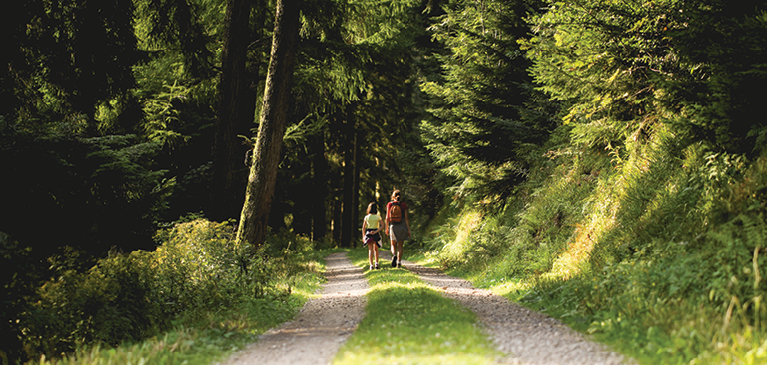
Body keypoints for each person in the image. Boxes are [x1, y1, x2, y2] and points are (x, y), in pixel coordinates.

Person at [385, 190, 410, 268]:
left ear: (393, 196)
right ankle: (399, 262)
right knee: (400, 245)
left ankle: (394, 255)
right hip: (402, 225)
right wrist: (408, 229)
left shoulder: (389, 204)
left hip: (393, 225)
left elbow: (387, 217)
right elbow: (406, 218)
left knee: (393, 244)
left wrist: (386, 227)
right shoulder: (403, 205)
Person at [362, 202, 383, 270]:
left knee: (370, 250)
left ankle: (371, 265)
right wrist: (376, 231)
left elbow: (363, 227)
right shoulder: (378, 217)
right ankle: (376, 262)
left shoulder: (367, 217)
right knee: (376, 249)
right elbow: (383, 226)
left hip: (369, 233)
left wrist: (363, 236)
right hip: (375, 233)